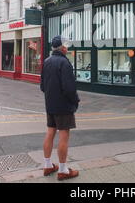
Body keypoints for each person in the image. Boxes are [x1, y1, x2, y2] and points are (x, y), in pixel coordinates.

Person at [40, 36, 80, 181]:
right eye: (66, 46)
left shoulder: (46, 61)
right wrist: (75, 101)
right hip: (63, 106)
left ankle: (47, 165)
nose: (67, 48)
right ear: (62, 48)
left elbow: (42, 86)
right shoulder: (64, 62)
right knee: (64, 136)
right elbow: (69, 88)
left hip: (50, 105)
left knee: (50, 132)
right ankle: (63, 170)